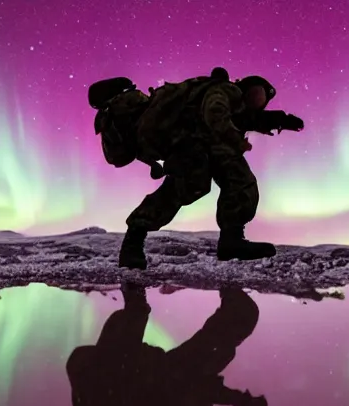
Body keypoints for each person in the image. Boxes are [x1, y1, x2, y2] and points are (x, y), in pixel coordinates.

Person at [89, 67, 304, 270]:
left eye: (262, 100)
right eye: (257, 94)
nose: (258, 101)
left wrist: (278, 120)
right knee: (228, 168)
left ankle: (134, 244)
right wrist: (236, 141)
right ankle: (230, 239)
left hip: (174, 143)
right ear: (245, 87)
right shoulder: (226, 90)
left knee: (196, 182)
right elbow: (215, 111)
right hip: (182, 140)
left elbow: (247, 119)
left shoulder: (233, 106)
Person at [66, 283, 268, 406]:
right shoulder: (101, 390)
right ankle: (137, 287)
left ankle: (222, 272)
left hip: (168, 373)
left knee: (242, 315)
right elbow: (198, 391)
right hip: (168, 373)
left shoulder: (113, 389)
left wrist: (241, 401)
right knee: (239, 316)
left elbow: (199, 390)